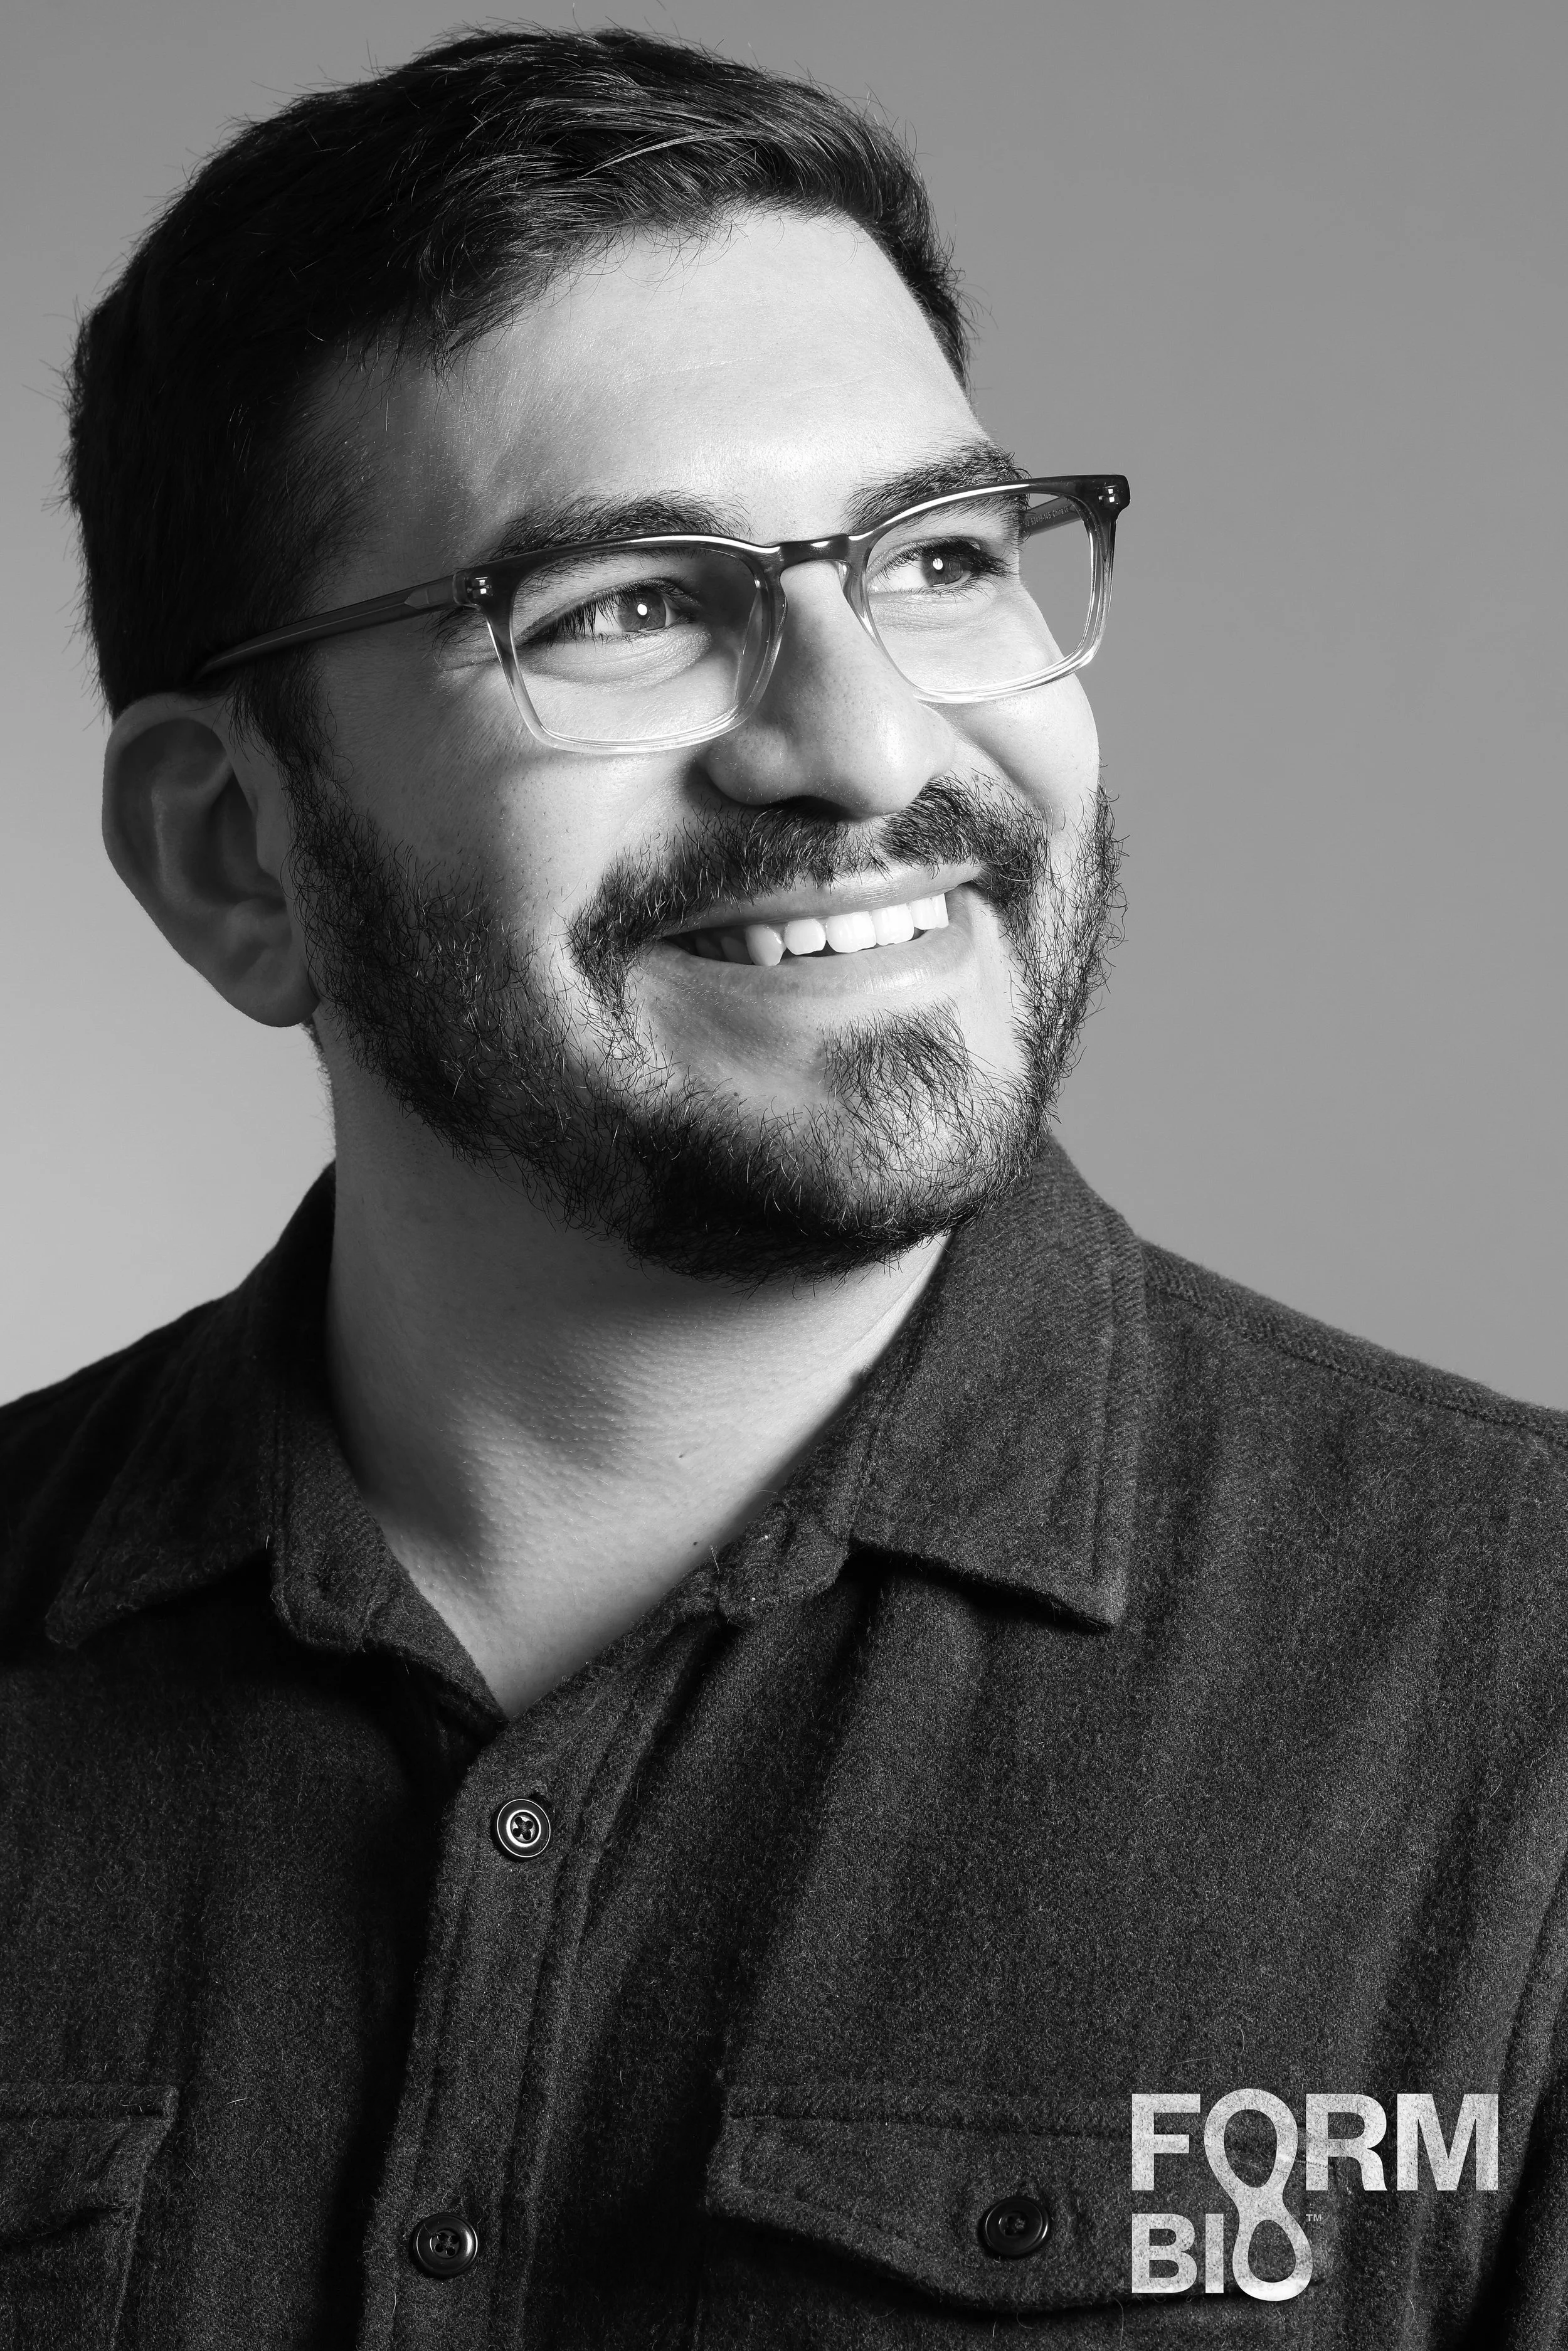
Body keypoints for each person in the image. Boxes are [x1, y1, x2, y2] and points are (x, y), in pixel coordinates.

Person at [2, 24, 1564, 2347]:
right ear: (238, 854)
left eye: (936, 555)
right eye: (627, 602)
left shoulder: (1520, 1713)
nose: (865, 742)